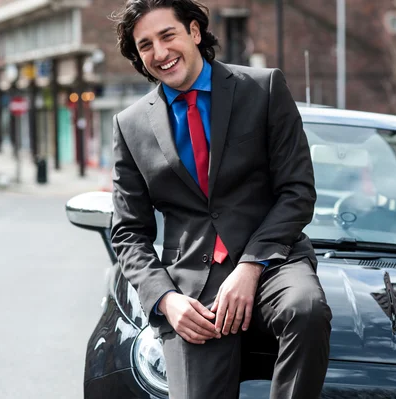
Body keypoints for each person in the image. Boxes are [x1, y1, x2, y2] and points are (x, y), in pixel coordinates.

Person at [110, 0, 332, 398]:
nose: (160, 53)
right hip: (192, 286)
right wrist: (165, 300)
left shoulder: (263, 89)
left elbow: (297, 191)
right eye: (146, 45)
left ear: (194, 32)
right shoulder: (130, 126)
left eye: (167, 35)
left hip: (272, 261)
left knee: (307, 310)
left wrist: (250, 267)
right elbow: (128, 232)